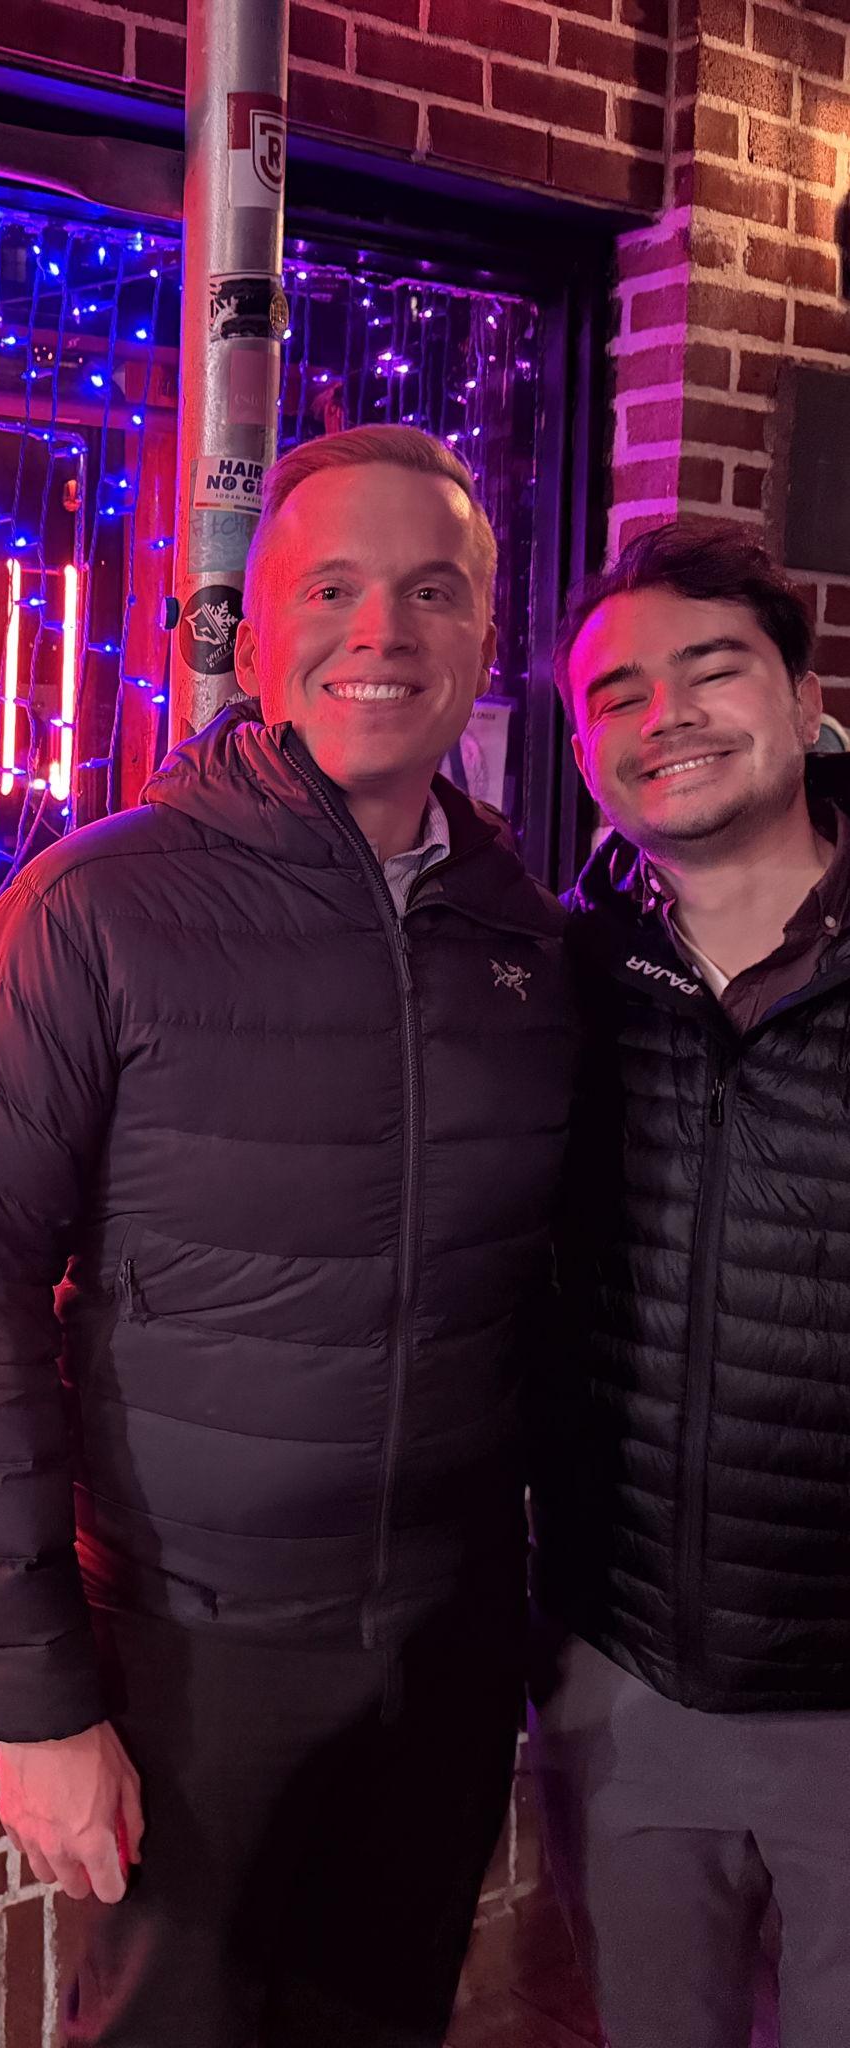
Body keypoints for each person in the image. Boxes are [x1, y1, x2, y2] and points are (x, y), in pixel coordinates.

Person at [0, 424, 577, 2047]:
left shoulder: (524, 936)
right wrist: (38, 1708)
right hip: (188, 1658)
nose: (381, 631)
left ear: (485, 636)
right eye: (331, 589)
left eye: (432, 590)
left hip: (446, 1645)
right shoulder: (94, 911)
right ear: (254, 635)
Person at [532, 522, 850, 2048]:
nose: (667, 717)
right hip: (625, 1682)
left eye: (712, 670)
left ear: (806, 699)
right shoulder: (550, 981)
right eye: (619, 694)